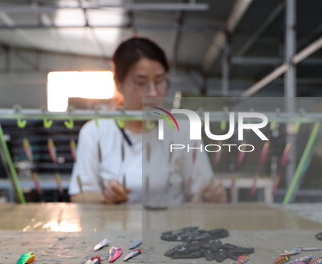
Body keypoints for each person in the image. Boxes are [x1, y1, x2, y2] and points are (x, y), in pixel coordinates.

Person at [69, 37, 226, 205]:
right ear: (119, 84)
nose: (152, 93)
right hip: (114, 229)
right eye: (141, 82)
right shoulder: (95, 132)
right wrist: (104, 197)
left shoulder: (182, 130)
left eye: (159, 81)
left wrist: (208, 196)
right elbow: (79, 195)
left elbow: (200, 190)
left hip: (172, 229)